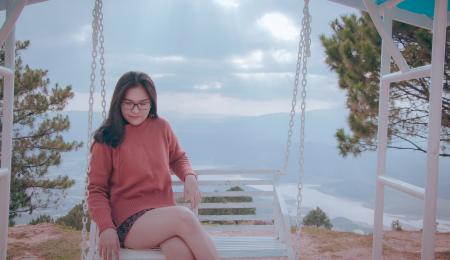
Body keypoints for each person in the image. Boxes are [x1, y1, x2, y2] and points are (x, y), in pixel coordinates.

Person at [87, 71, 219, 260]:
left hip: (163, 215)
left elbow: (178, 158)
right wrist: (106, 228)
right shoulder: (106, 139)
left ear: (152, 102)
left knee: (182, 253)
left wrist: (189, 176)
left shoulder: (161, 127)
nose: (135, 110)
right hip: (129, 222)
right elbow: (96, 190)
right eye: (129, 103)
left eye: (142, 104)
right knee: (186, 217)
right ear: (118, 102)